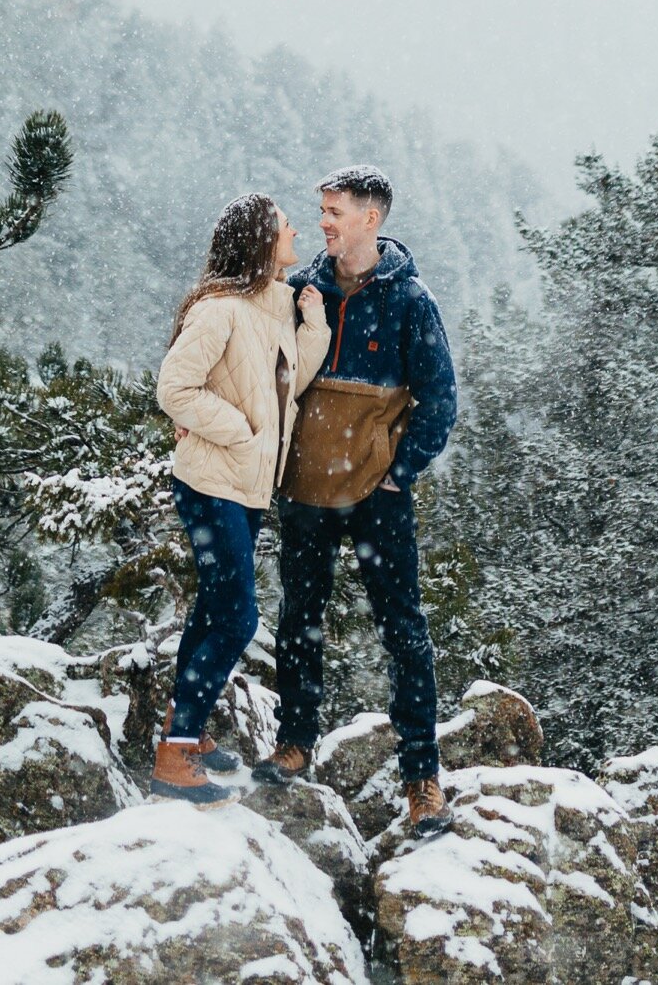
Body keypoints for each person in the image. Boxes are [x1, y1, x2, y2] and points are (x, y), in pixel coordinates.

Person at [254, 165, 458, 839]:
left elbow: (440, 400)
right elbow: (262, 368)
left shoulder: (410, 301)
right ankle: (294, 745)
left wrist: (399, 473)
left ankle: (422, 780)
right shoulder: (301, 288)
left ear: (371, 218)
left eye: (335, 211)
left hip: (377, 497)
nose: (323, 223)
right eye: (321, 211)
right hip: (306, 490)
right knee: (299, 620)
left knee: (402, 630)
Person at [151, 192, 330, 804]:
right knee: (237, 616)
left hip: (248, 488)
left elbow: (289, 385)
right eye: (285, 226)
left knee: (215, 605)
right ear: (260, 241)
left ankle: (189, 732)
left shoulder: (275, 304)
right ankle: (174, 754)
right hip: (211, 484)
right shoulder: (221, 309)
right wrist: (240, 431)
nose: (296, 230)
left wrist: (316, 326)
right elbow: (174, 389)